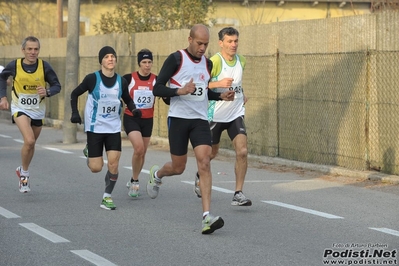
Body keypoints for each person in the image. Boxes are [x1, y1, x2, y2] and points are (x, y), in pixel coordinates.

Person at [149, 24, 235, 234]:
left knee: (204, 161)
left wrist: (220, 95)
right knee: (178, 167)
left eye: (206, 44)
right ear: (190, 40)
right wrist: (179, 90)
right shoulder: (176, 59)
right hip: (178, 119)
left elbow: (204, 92)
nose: (203, 48)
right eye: (199, 43)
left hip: (199, 119)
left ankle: (206, 216)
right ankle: (158, 174)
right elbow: (157, 88)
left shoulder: (207, 64)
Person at [70, 46, 141, 210]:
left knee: (114, 164)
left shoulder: (121, 81)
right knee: (96, 168)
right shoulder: (92, 79)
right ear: (101, 60)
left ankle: (107, 196)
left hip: (113, 128)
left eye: (113, 56)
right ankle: (90, 151)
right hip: (95, 127)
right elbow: (74, 94)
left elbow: (127, 99)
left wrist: (134, 109)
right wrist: (75, 113)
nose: (111, 59)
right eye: (107, 56)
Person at [194, 27, 252, 206]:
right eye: (229, 41)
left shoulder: (241, 61)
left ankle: (238, 193)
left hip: (235, 112)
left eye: (235, 41)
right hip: (215, 114)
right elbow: (201, 85)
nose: (233, 45)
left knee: (242, 151)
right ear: (221, 43)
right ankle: (199, 174)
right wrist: (218, 83)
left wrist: (243, 94)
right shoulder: (214, 62)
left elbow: (238, 83)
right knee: (211, 154)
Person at [0, 36, 61, 193]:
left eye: (36, 49)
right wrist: (3, 97)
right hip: (19, 107)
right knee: (29, 139)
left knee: (31, 144)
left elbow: (57, 85)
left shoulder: (44, 66)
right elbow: (2, 78)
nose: (33, 52)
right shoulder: (15, 65)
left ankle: (22, 169)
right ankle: (24, 177)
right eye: (29, 49)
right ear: (23, 50)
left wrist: (47, 91)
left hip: (37, 110)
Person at [123, 49, 157, 197]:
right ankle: (135, 181)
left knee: (142, 152)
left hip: (148, 120)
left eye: (149, 62)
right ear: (139, 63)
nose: (147, 65)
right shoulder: (129, 78)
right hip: (131, 118)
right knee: (138, 148)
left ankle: (133, 177)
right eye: (144, 62)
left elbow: (165, 94)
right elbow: (118, 91)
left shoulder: (156, 80)